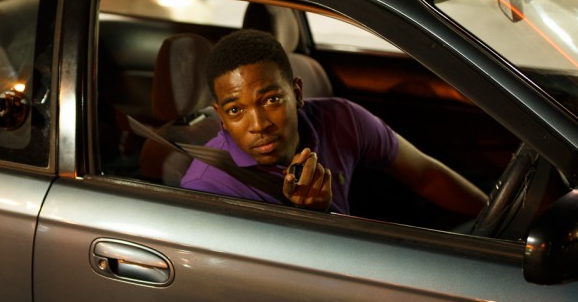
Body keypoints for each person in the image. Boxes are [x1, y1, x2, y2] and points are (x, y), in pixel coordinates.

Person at [180, 30, 488, 217]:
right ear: (220, 116)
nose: (258, 124)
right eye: (236, 110)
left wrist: (496, 221)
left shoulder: (342, 119)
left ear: (297, 93)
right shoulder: (207, 186)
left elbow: (425, 174)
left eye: (271, 100)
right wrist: (315, 217)